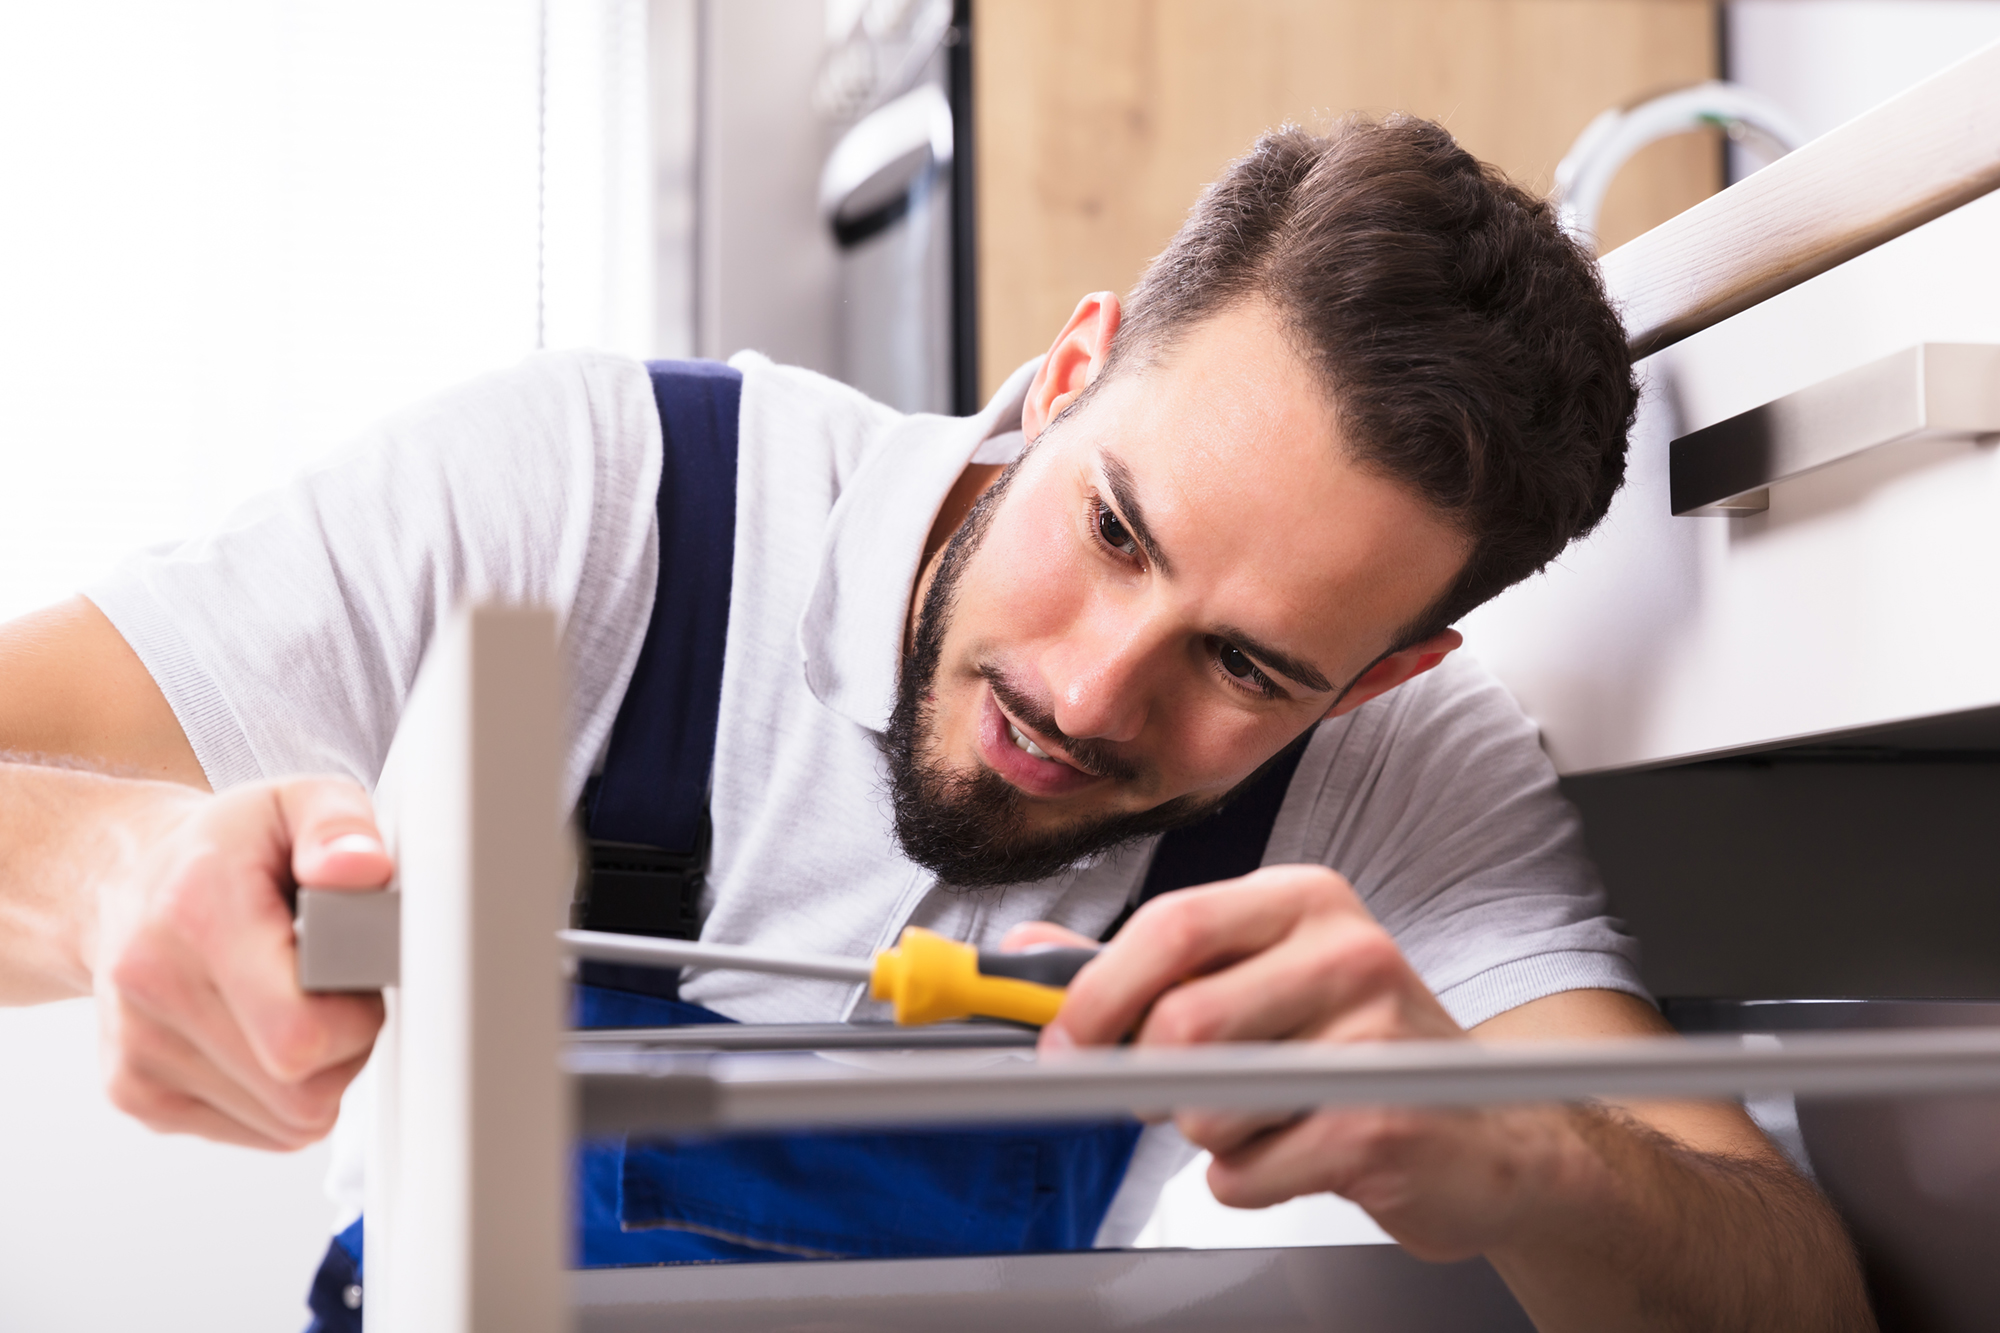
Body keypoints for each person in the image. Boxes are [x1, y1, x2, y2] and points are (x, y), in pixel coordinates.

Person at [0, 116, 1871, 1329]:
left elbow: (1795, 1291)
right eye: (1112, 527)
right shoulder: (591, 498)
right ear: (1062, 378)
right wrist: (114, 875)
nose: (1087, 688)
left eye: (1247, 667)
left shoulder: (1401, 772)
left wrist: (1510, 1144)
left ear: (1378, 679)